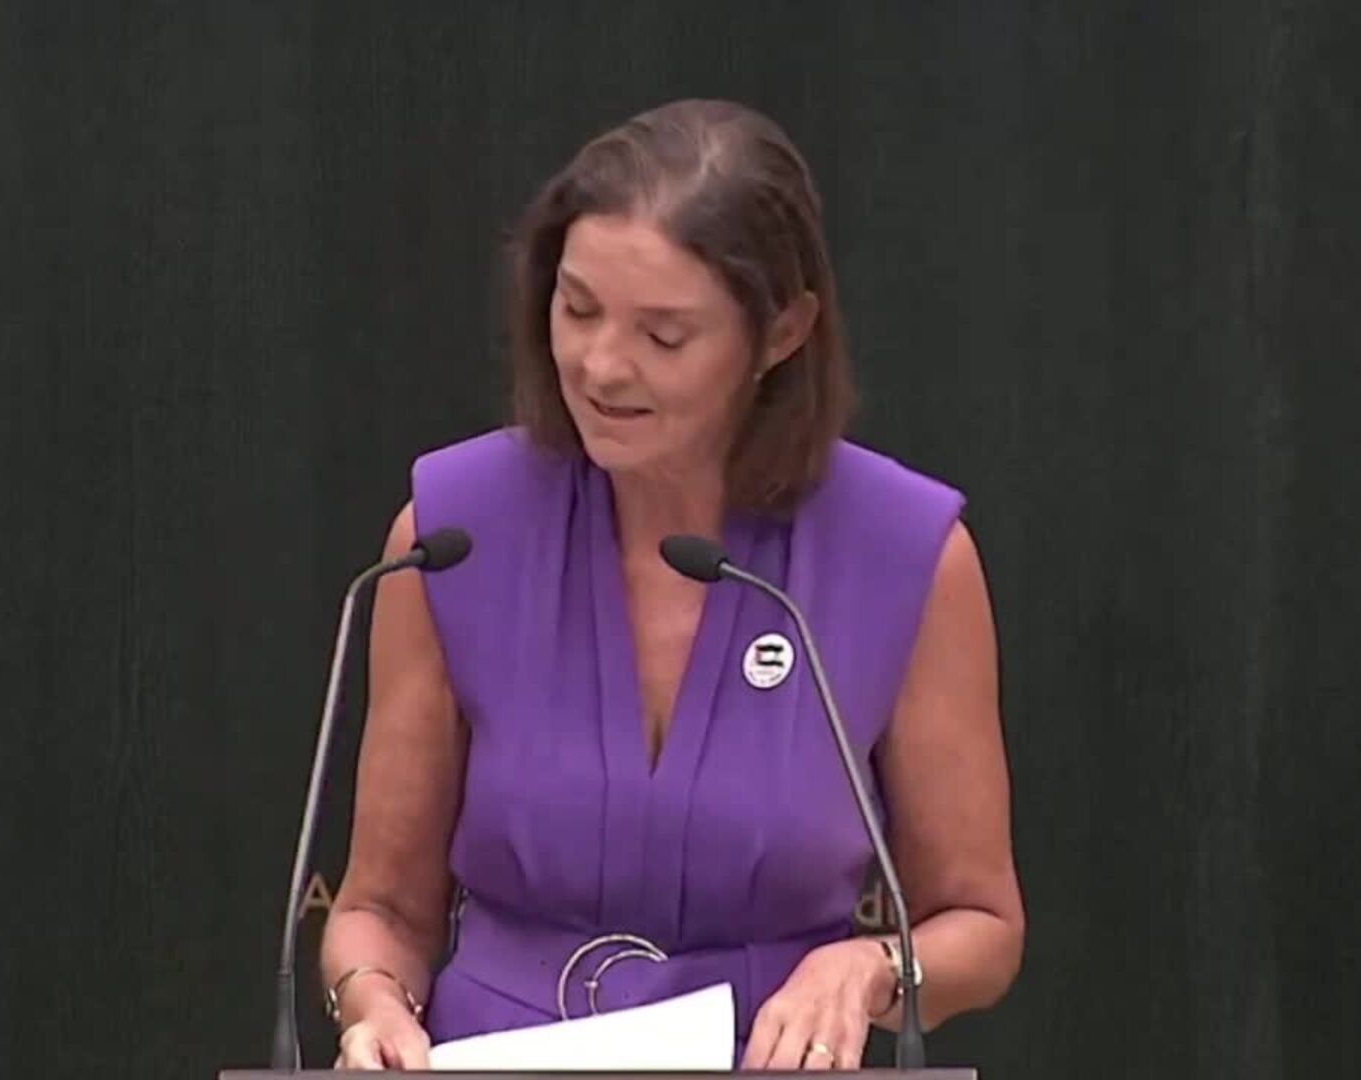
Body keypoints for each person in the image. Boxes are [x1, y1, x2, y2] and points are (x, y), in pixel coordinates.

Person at [320, 98, 1023, 1071]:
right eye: (577, 310)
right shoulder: (451, 537)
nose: (602, 366)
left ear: (782, 332)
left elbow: (979, 924)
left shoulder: (904, 554)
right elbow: (381, 910)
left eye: (664, 335)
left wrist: (869, 968)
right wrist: (375, 1004)